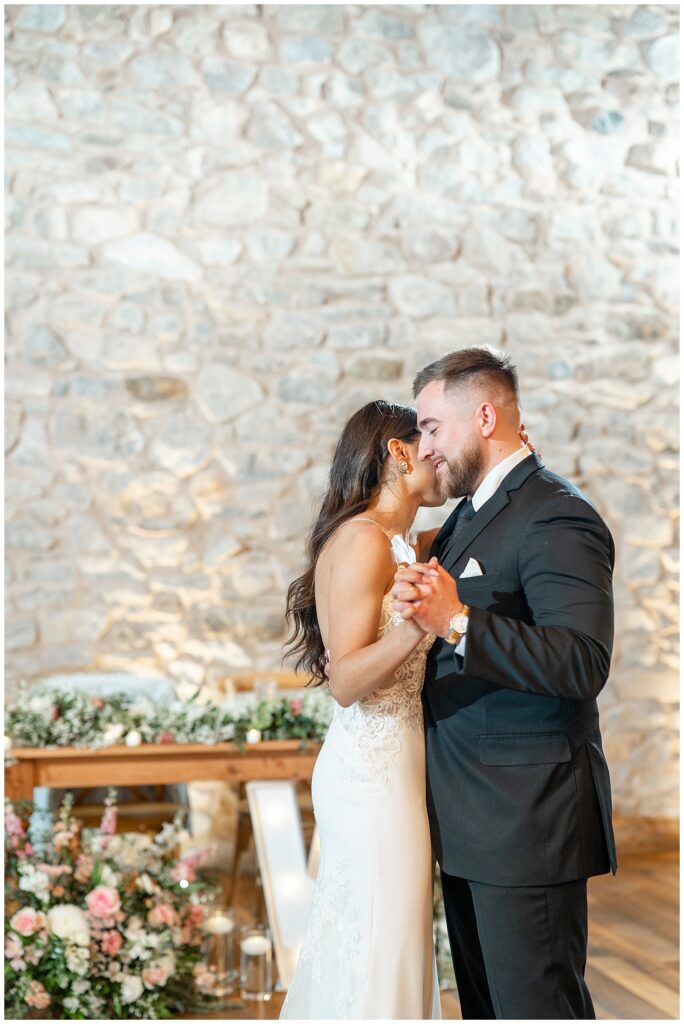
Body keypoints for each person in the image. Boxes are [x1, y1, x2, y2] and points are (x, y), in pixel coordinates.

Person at [392, 347, 617, 1020]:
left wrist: (458, 622)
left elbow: (583, 661)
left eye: (432, 428)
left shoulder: (556, 514)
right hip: (469, 822)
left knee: (535, 1009)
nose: (424, 448)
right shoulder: (473, 512)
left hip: (527, 823)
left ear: (485, 416)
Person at [280, 399, 445, 1020]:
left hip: (397, 763)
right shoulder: (362, 540)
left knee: (391, 947)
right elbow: (345, 679)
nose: (439, 450)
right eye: (428, 436)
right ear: (398, 452)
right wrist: (411, 629)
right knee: (382, 946)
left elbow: (475, 528)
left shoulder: (402, 541)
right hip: (371, 771)